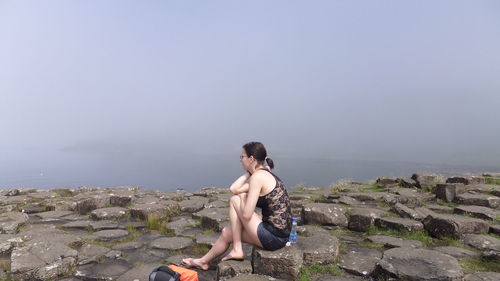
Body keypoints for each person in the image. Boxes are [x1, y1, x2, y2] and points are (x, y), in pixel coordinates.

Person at [182, 141, 292, 270]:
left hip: (273, 237)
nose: (240, 160)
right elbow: (234, 188)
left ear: (251, 159)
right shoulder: (261, 174)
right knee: (227, 233)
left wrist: (243, 194)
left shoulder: (258, 177)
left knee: (235, 200)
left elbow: (246, 214)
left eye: (242, 157)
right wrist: (249, 171)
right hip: (279, 236)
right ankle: (202, 261)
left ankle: (237, 249)